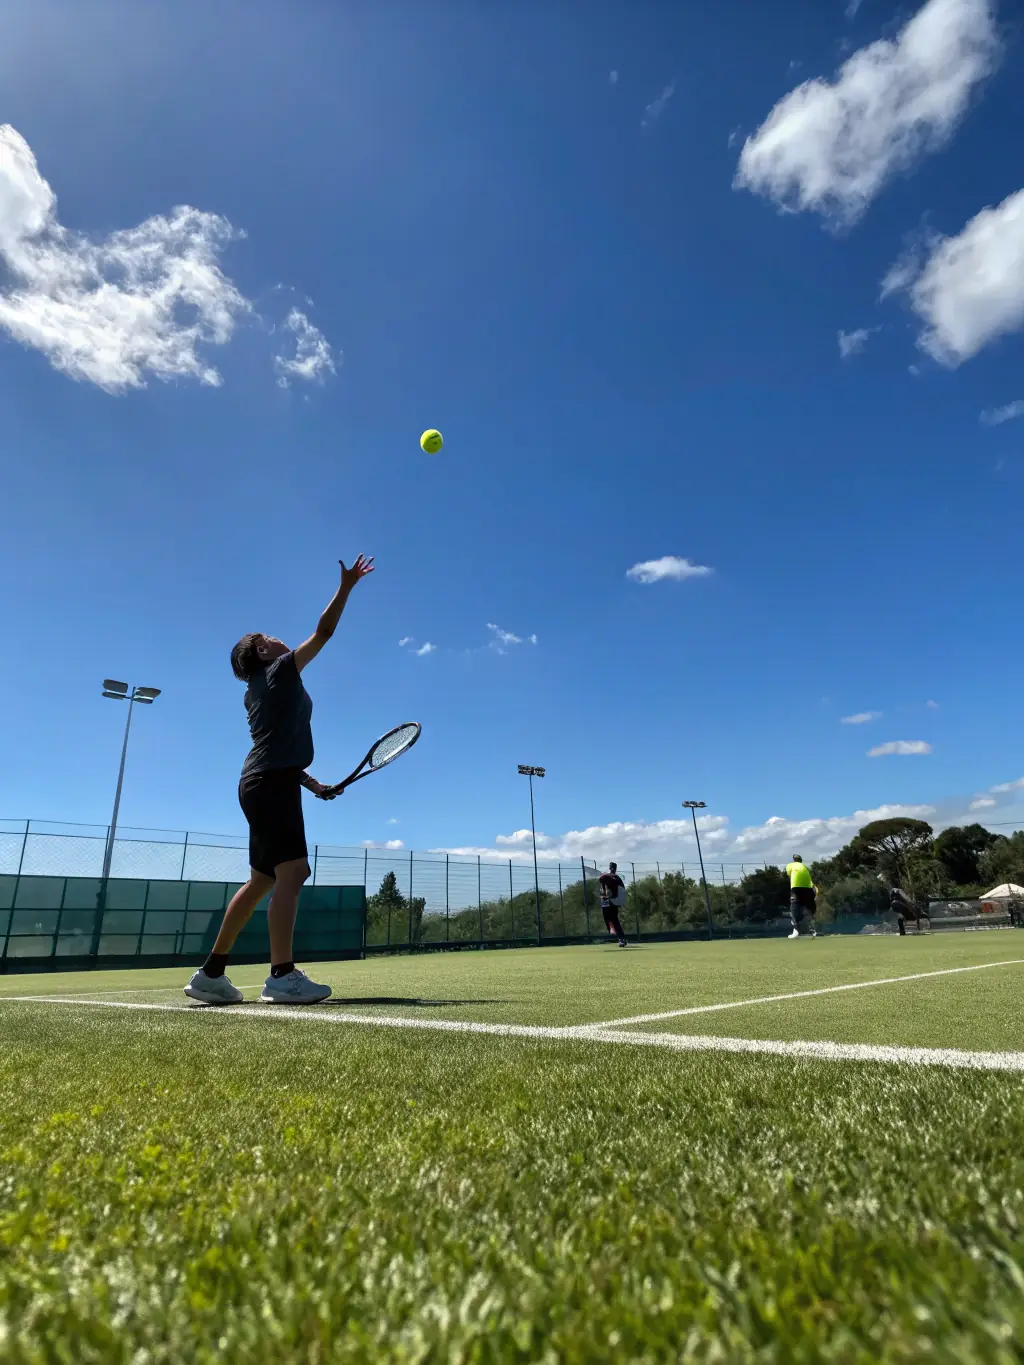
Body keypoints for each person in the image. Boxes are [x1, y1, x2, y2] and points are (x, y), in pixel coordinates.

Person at [184, 554, 374, 1006]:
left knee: (262, 882)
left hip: (265, 782)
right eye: (268, 638)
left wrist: (313, 785)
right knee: (294, 871)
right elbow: (324, 632)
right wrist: (346, 587)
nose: (277, 639)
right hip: (268, 784)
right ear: (263, 653)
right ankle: (281, 975)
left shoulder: (258, 689)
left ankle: (211, 975)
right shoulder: (279, 670)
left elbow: (281, 754)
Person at [785, 855, 817, 938]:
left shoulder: (790, 865)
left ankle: (796, 931)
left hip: (796, 888)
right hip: (808, 889)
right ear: (801, 861)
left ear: (793, 860)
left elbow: (789, 875)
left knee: (794, 909)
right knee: (809, 909)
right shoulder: (805, 867)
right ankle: (813, 930)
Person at [599, 862, 628, 947]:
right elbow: (622, 889)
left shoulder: (609, 876)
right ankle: (621, 938)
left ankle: (614, 931)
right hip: (616, 899)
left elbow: (602, 880)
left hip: (614, 900)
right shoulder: (616, 877)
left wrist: (606, 896)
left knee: (612, 918)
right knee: (614, 919)